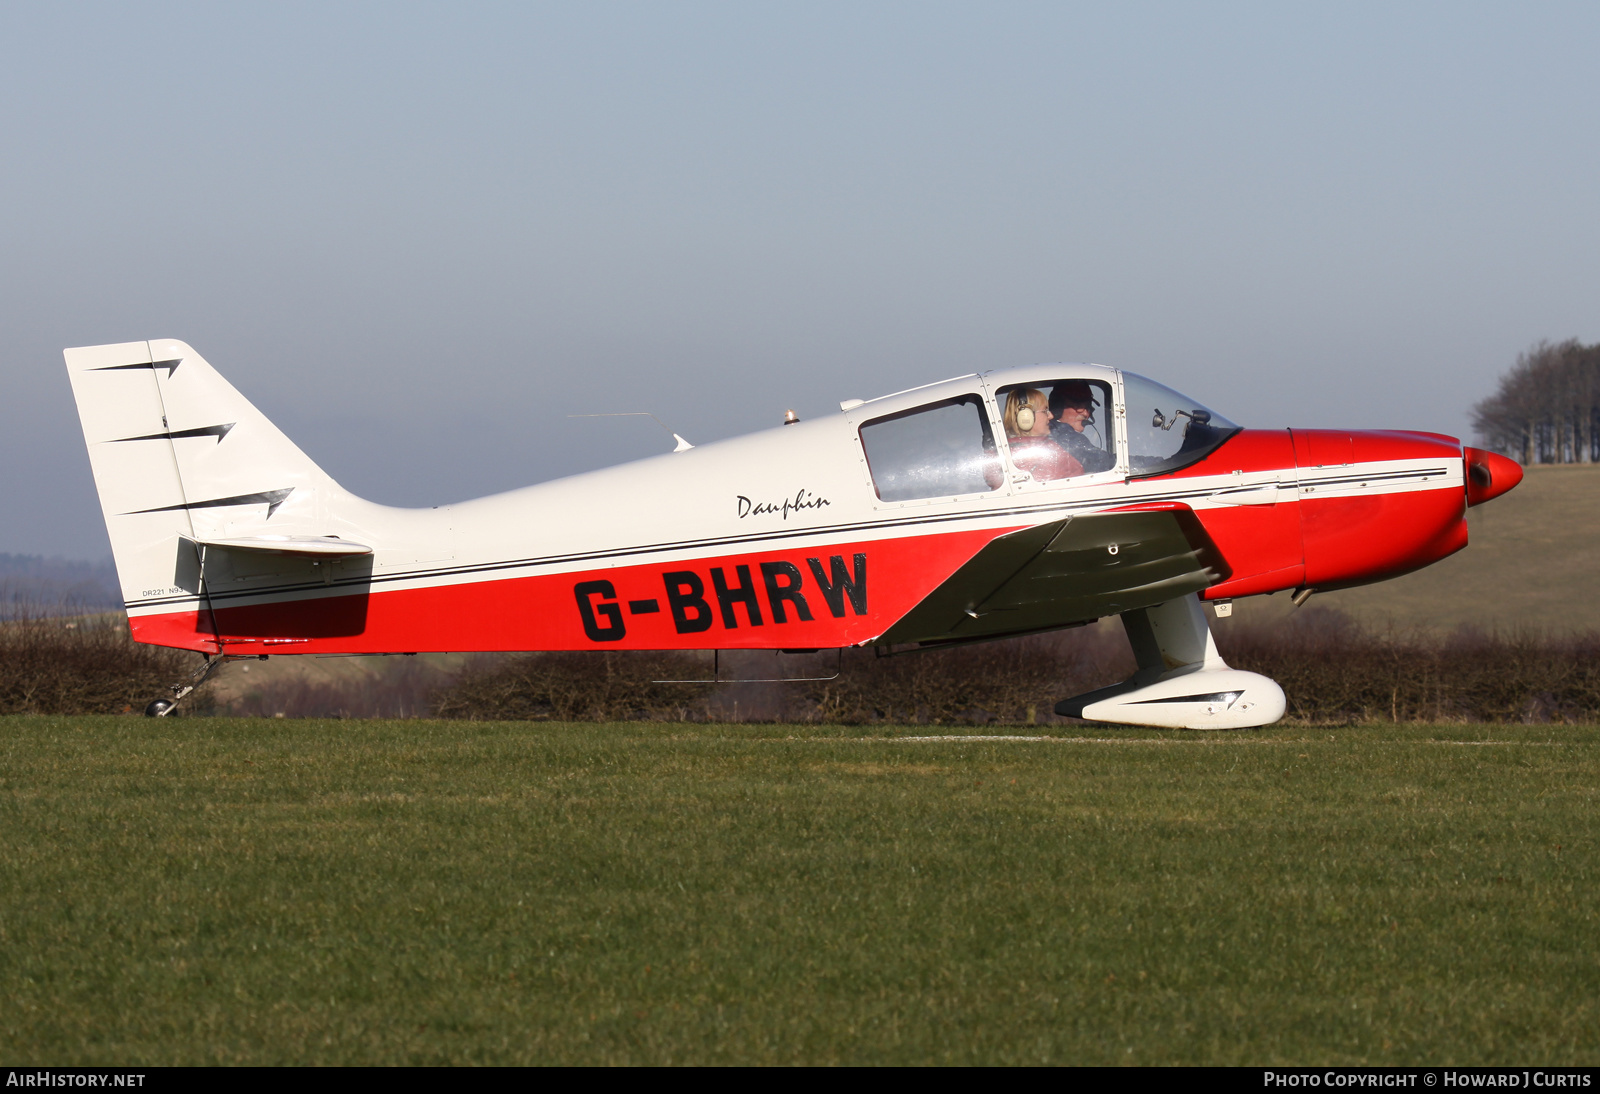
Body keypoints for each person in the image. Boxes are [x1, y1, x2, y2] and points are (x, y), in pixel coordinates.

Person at [1003, 388, 1082, 482]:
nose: (1051, 416)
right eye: (1045, 411)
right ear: (1025, 416)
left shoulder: (1001, 453)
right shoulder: (1050, 452)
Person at [1048, 380, 1116, 474]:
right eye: (1078, 406)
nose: (1085, 413)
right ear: (1057, 406)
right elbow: (1103, 462)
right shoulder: (1065, 438)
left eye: (1088, 406)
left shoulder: (1052, 433)